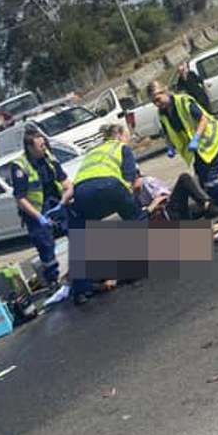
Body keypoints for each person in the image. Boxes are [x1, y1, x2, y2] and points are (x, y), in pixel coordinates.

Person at [70, 123, 143, 305]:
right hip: (109, 185)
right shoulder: (121, 148)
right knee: (135, 218)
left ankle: (81, 289)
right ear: (118, 135)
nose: (128, 138)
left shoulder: (92, 152)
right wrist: (131, 202)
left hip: (82, 191)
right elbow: (129, 181)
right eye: (127, 134)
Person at [147, 81, 218, 220]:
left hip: (213, 141)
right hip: (201, 150)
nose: (157, 104)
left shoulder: (183, 101)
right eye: (154, 102)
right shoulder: (163, 113)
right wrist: (170, 147)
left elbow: (203, 119)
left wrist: (195, 139)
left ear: (164, 92)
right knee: (203, 181)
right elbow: (168, 132)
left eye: (158, 100)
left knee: (210, 179)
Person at [10, 128, 73, 289]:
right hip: (35, 211)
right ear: (30, 148)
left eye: (44, 144)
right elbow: (20, 198)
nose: (44, 148)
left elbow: (67, 183)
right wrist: (39, 217)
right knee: (46, 246)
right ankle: (53, 281)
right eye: (40, 146)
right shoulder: (20, 166)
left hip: (56, 203)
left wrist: (63, 201)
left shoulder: (49, 159)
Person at [136, 173, 218, 221]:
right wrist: (152, 206)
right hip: (169, 217)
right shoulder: (132, 198)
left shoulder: (146, 183)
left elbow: (164, 196)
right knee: (184, 178)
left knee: (215, 205)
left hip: (175, 214)